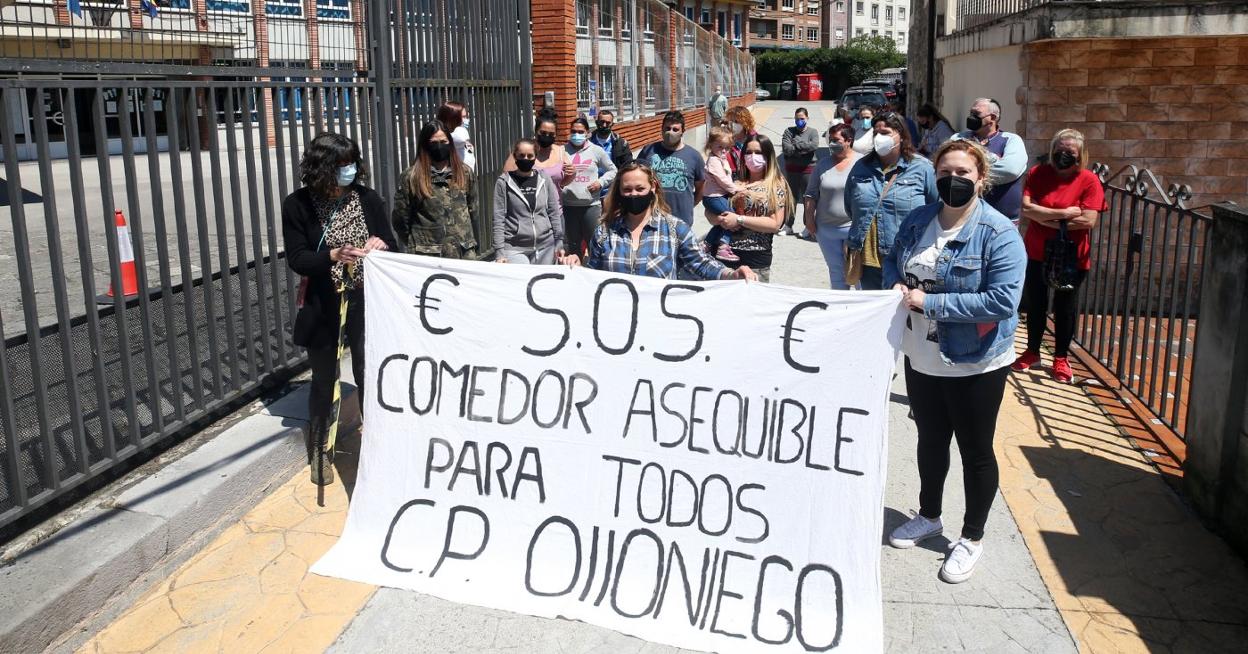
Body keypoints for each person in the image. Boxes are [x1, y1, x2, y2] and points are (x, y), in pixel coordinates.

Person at [883, 139, 1026, 585]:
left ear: (981, 179)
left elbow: (1003, 300)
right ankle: (929, 516)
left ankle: (971, 536)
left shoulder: (998, 233)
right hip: (922, 356)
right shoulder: (919, 219)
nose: (953, 180)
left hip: (974, 362)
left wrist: (932, 302)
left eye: (963, 173)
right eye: (945, 172)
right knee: (930, 440)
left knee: (975, 450)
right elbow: (892, 261)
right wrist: (893, 284)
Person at [282, 133, 395, 474]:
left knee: (368, 371)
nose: (350, 170)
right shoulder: (298, 205)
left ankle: (378, 442)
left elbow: (391, 243)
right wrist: (331, 255)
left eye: (352, 163)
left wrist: (381, 244)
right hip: (324, 304)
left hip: (365, 300)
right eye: (342, 164)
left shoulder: (367, 198)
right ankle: (321, 448)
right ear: (323, 168)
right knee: (324, 377)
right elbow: (298, 258)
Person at [1012, 129, 1106, 383]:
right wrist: (1065, 215)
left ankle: (1061, 358)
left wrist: (1045, 217)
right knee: (1036, 304)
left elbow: (1088, 220)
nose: (1063, 155)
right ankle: (1032, 351)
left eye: (1070, 152)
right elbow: (1027, 209)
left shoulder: (1089, 180)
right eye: (1059, 150)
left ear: (1080, 155)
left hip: (1072, 256)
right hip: (1036, 251)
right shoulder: (1037, 173)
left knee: (1065, 307)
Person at [576, 162, 756, 281]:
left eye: (640, 188)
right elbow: (592, 276)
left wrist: (731, 274)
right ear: (619, 192)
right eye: (627, 190)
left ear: (653, 187)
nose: (633, 195)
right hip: (618, 322)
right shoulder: (605, 231)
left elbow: (701, 263)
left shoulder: (675, 229)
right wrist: (573, 268)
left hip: (659, 321)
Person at [845, 112, 938, 290]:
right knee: (874, 305)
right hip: (868, 263)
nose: (879, 138)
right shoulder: (861, 167)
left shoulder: (923, 168)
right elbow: (850, 207)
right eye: (876, 133)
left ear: (901, 136)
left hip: (907, 258)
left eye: (885, 133)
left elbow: (937, 208)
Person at [704, 133, 794, 283]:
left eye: (758, 152)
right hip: (722, 259)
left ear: (768, 156)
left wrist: (739, 220)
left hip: (755, 260)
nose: (753, 156)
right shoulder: (733, 181)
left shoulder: (776, 184)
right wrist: (719, 219)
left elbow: (775, 224)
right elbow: (710, 209)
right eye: (748, 152)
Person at [393, 120, 478, 259]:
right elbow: (400, 219)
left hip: (463, 253)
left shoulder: (465, 173)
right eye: (433, 142)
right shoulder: (411, 177)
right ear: (425, 144)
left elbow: (473, 210)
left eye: (443, 142)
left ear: (450, 143)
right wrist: (416, 244)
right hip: (429, 256)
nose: (439, 146)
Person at [950, 98, 1027, 224]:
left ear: (993, 118)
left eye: (976, 114)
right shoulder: (958, 138)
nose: (971, 117)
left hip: (1005, 222)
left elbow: (1010, 170)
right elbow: (951, 166)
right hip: (965, 219)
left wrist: (968, 169)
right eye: (971, 113)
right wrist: (993, 159)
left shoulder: (1011, 140)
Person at [804, 123, 861, 289]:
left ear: (849, 140)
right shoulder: (823, 164)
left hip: (854, 229)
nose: (832, 143)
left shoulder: (862, 162)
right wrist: (809, 219)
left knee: (858, 273)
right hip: (826, 230)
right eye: (830, 140)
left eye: (836, 140)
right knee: (836, 272)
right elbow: (811, 194)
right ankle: (840, 303)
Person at [493, 138, 566, 265]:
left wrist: (559, 242)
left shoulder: (544, 179)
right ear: (515, 156)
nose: (525, 159)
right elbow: (498, 218)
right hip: (515, 247)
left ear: (535, 157)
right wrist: (499, 252)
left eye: (530, 156)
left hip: (545, 246)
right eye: (521, 155)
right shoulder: (504, 182)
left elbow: (553, 212)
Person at [562, 115, 617, 257]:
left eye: (581, 132)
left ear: (587, 133)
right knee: (572, 248)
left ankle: (593, 269)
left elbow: (613, 171)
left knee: (594, 245)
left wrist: (600, 182)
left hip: (591, 206)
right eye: (573, 131)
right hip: (568, 206)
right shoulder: (561, 151)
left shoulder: (596, 150)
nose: (577, 135)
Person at [637, 110, 705, 226]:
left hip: (682, 221)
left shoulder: (694, 156)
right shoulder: (648, 151)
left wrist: (688, 205)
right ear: (662, 129)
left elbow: (701, 187)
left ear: (683, 131)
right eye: (667, 128)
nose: (670, 132)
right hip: (651, 218)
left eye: (675, 129)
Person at [700, 126, 744, 262]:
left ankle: (706, 244)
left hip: (718, 196)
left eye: (727, 147)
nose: (724, 151)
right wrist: (735, 189)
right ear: (710, 145)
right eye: (720, 147)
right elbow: (722, 180)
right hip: (714, 197)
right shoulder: (714, 160)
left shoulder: (721, 158)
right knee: (732, 218)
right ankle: (723, 246)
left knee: (721, 223)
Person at [505, 113, 574, 196]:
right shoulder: (523, 149)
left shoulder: (560, 152)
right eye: (543, 133)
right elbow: (506, 178)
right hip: (527, 202)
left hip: (554, 202)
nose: (547, 136)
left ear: (556, 134)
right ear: (536, 131)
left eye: (551, 134)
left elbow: (562, 183)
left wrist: (572, 174)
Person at [781, 107, 819, 237]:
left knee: (807, 198)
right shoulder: (788, 131)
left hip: (808, 169)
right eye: (797, 119)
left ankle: (808, 226)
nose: (799, 121)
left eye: (802, 118)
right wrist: (803, 149)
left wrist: (796, 144)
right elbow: (786, 149)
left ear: (807, 118)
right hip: (792, 170)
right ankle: (788, 225)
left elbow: (813, 146)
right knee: (791, 198)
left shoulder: (813, 132)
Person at [436, 100, 476, 172]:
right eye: (463, 117)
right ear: (452, 119)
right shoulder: (450, 136)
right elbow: (461, 138)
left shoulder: (459, 133)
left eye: (466, 116)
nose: (466, 120)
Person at [725, 105, 757, 173]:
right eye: (730, 121)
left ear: (745, 122)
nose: (732, 124)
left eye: (736, 121)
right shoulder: (724, 139)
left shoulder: (755, 139)